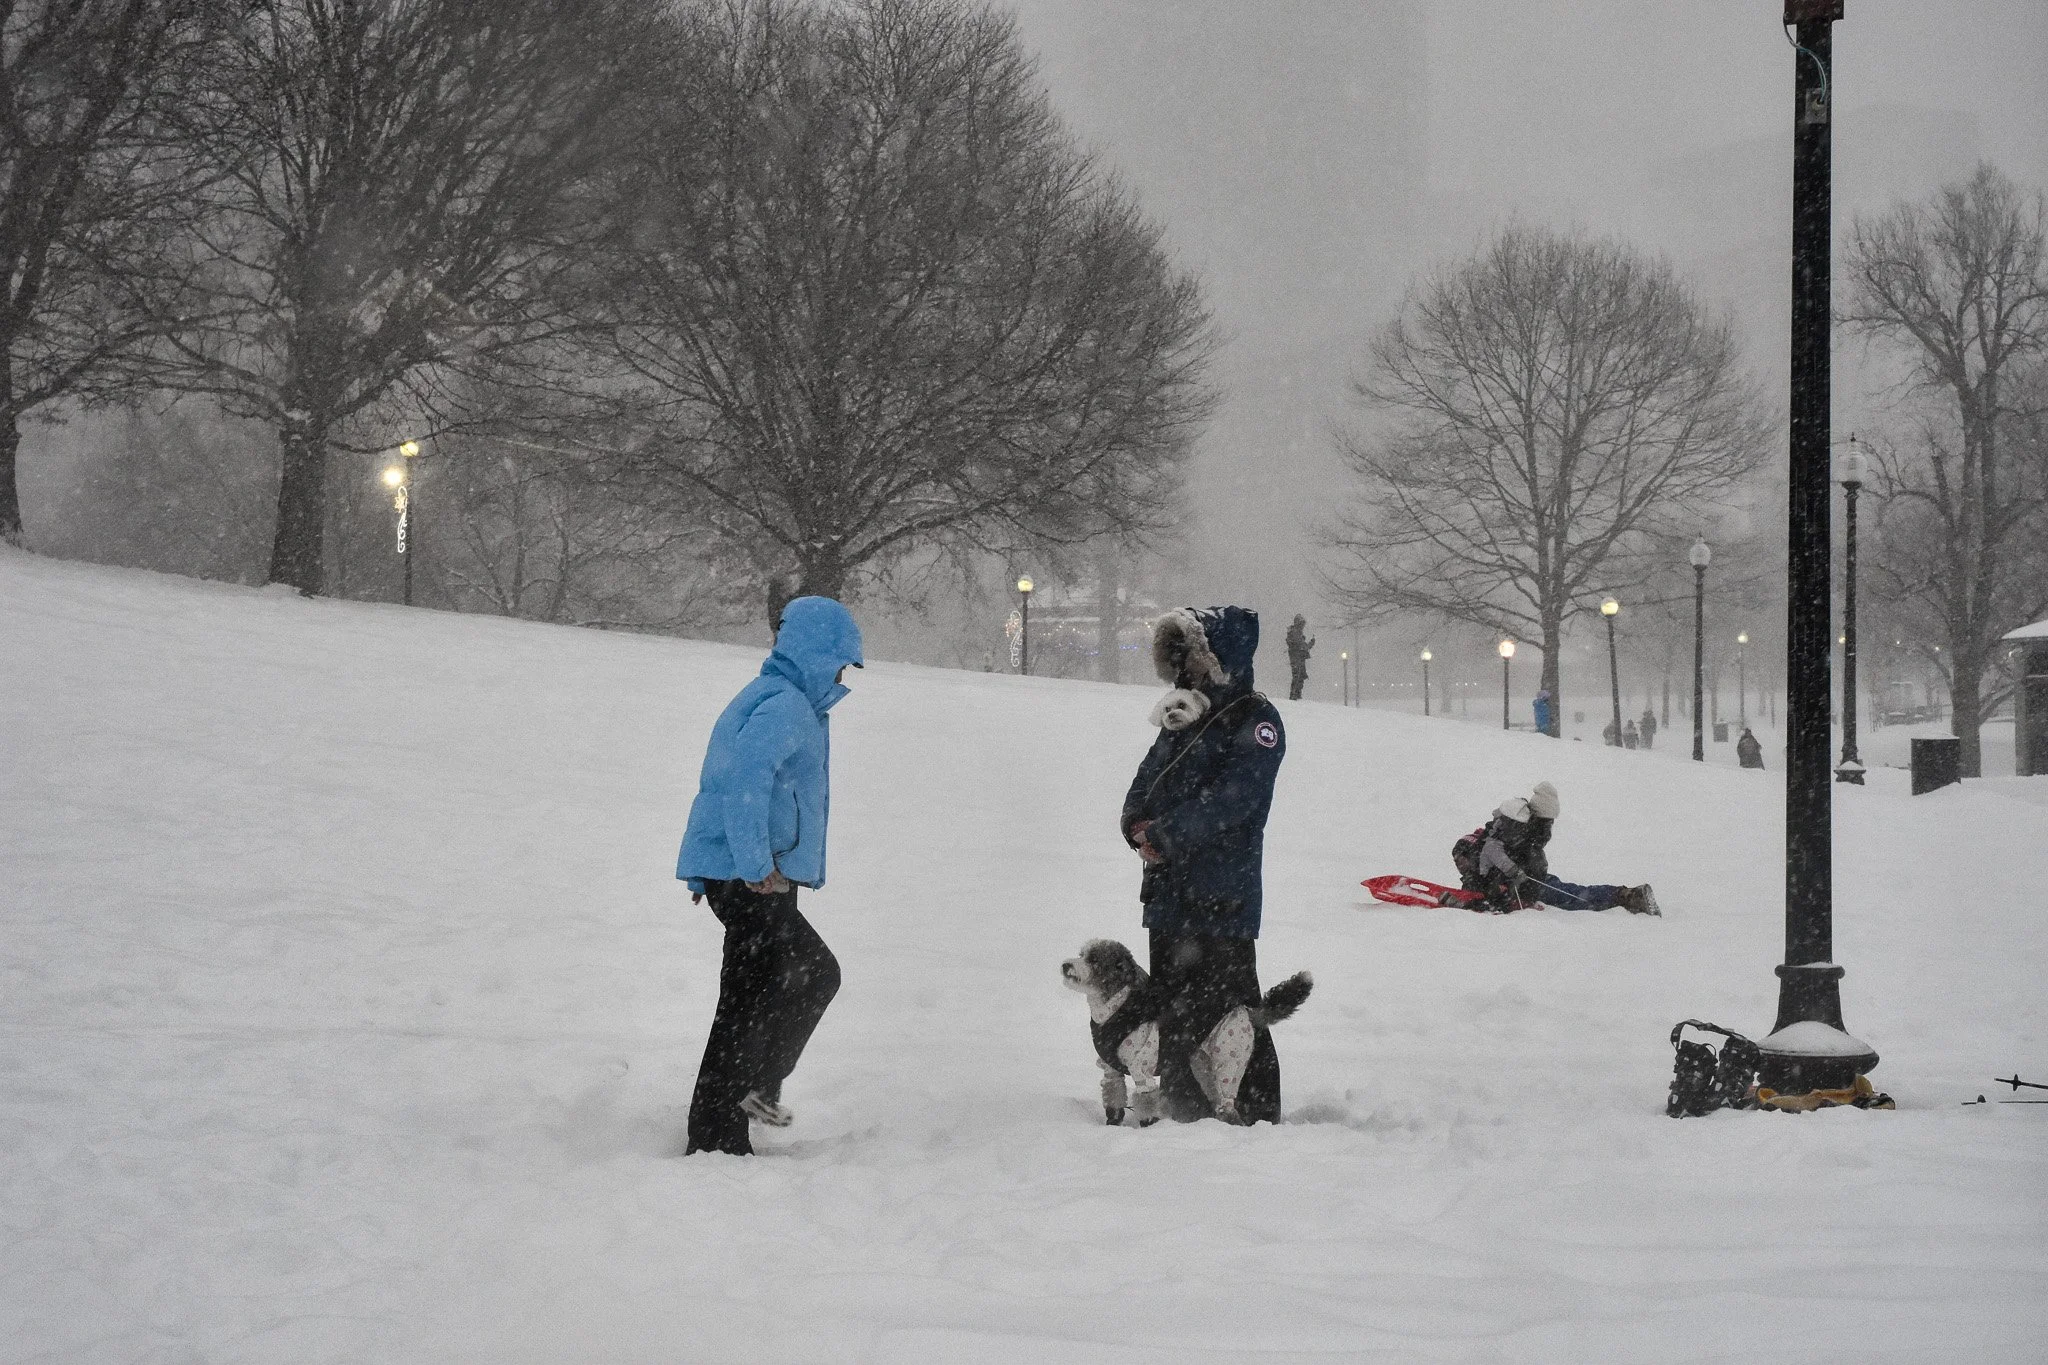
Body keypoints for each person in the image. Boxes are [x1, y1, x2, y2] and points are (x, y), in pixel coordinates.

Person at [676, 596, 864, 1155]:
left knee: (798, 980)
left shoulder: (777, 698)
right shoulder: (785, 706)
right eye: (838, 662)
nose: (840, 676)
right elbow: (745, 782)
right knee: (752, 1000)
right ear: (815, 654)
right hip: (755, 878)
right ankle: (717, 1136)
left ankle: (749, 1095)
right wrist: (753, 864)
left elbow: (732, 783)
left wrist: (720, 867)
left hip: (751, 875)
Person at [1121, 606, 1287, 1123]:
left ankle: (1256, 1109)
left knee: (1233, 1009)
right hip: (1170, 889)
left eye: (1191, 658)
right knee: (1171, 1005)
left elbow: (1235, 800)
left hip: (1222, 891)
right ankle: (1185, 1107)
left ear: (1217, 659)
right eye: (1178, 660)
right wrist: (1135, 826)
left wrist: (1165, 835)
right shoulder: (1183, 714)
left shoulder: (1255, 720)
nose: (1183, 670)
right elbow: (1149, 778)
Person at [1450, 781, 1659, 914]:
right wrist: (1511, 878)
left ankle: (1624, 895)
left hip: (1526, 881)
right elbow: (1491, 851)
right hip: (1512, 881)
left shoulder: (1526, 830)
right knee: (1568, 894)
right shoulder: (1514, 827)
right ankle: (1624, 896)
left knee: (1568, 892)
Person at [1284, 614, 1314, 702]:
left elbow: (1301, 646)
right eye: (1302, 624)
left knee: (1300, 675)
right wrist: (1310, 644)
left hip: (1297, 657)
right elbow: (1302, 646)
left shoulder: (1295, 632)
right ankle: (1295, 694)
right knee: (1298, 675)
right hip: (1297, 657)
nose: (1303, 626)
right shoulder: (1295, 632)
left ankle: (1296, 694)